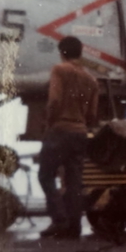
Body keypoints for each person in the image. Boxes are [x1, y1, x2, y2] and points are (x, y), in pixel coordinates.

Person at [38, 35, 101, 239]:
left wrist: (49, 123)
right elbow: (92, 114)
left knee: (46, 175)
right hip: (79, 132)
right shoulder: (92, 80)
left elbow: (54, 101)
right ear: (80, 54)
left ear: (62, 52)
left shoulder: (60, 70)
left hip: (60, 130)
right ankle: (74, 226)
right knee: (74, 181)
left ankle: (59, 220)